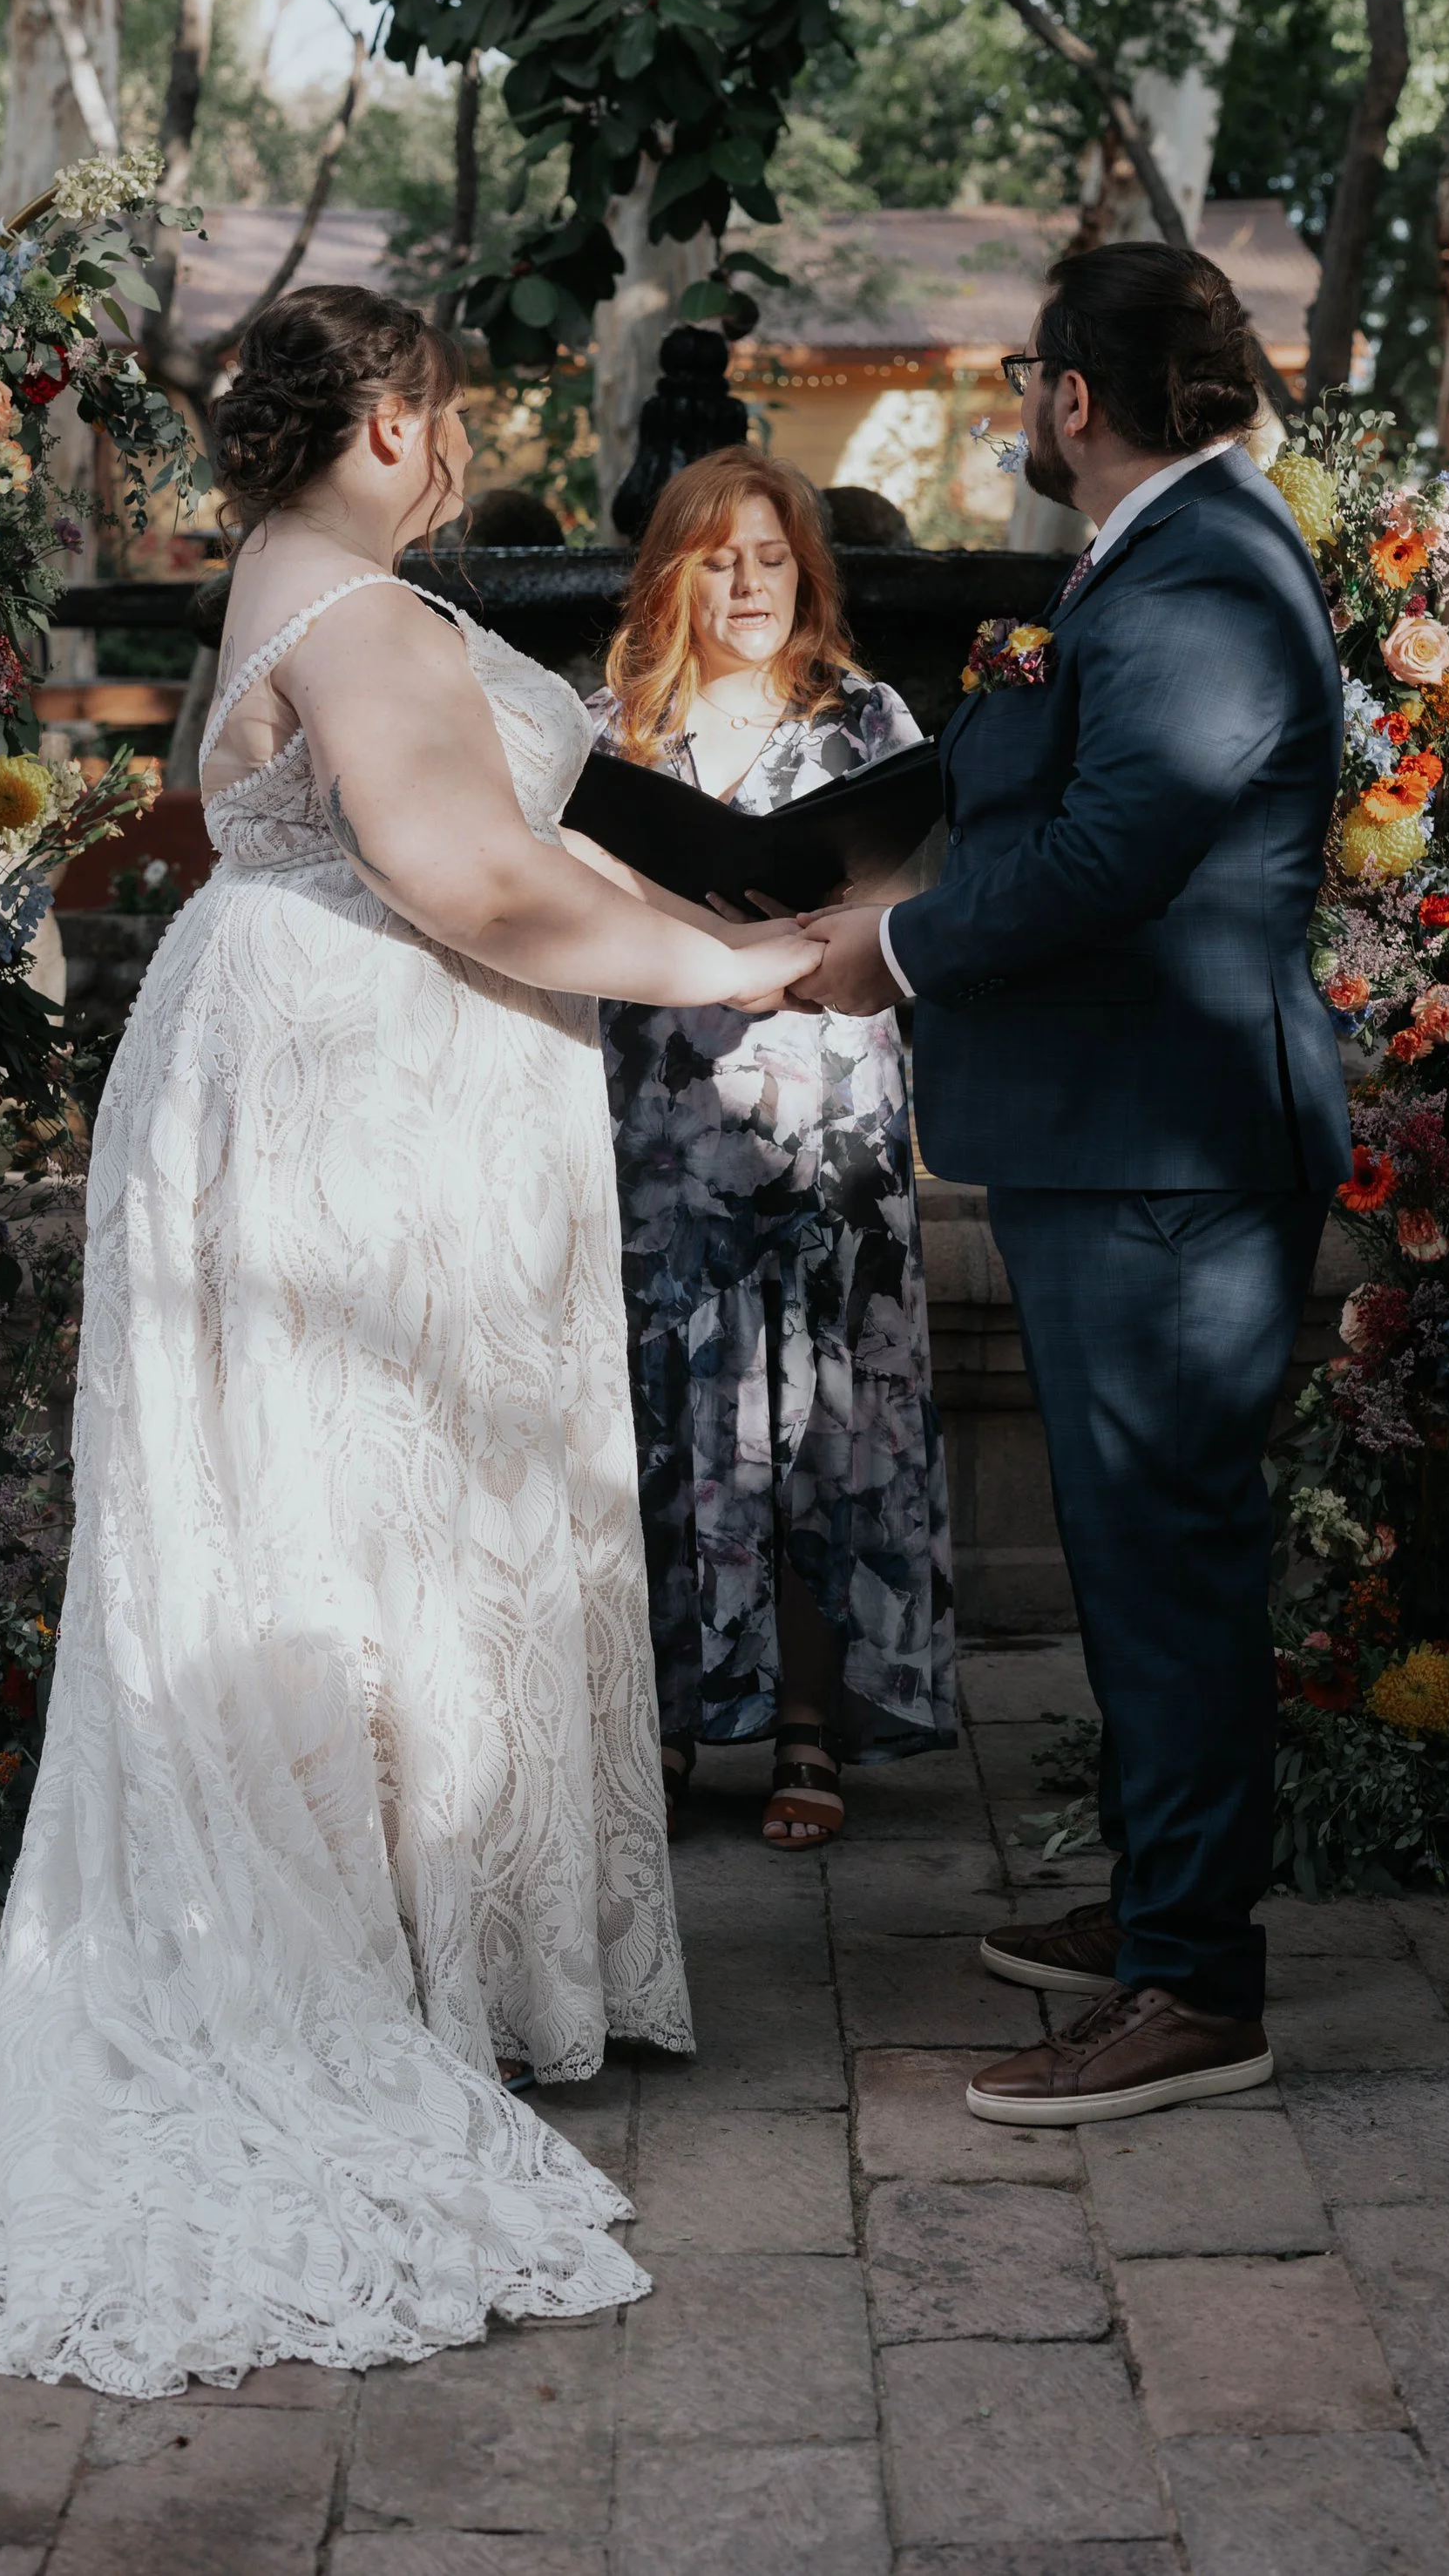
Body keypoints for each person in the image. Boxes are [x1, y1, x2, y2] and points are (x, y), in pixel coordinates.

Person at [0, 288, 823, 2395]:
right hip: (361, 1095)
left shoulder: (274, 590)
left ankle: (416, 1927)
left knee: (303, 1512)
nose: (454, 445)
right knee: (383, 1499)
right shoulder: (356, 615)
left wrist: (702, 918)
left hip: (280, 1059)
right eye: (442, 411)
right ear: (377, 418)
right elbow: (471, 878)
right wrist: (740, 975)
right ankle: (392, 1967)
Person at [799, 241, 1349, 2125]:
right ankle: (1157, 1913)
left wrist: (889, 953)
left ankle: (1196, 1988)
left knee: (1165, 1560)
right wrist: (824, 870)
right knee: (1131, 1558)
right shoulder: (1138, 561)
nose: (1017, 407)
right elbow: (1028, 782)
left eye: (1027, 374)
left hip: (1167, 1155)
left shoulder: (1204, 573)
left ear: (1077, 399)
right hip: (1100, 1138)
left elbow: (1116, 852)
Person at [589, 448, 954, 1852]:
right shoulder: (606, 727)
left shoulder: (868, 719)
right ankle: (665, 1721)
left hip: (828, 1127)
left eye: (773, 558)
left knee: (820, 1421)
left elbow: (922, 901)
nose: (748, 583)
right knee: (662, 1425)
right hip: (662, 1120)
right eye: (718, 557)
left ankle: (808, 1727)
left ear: (809, 573)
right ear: (670, 572)